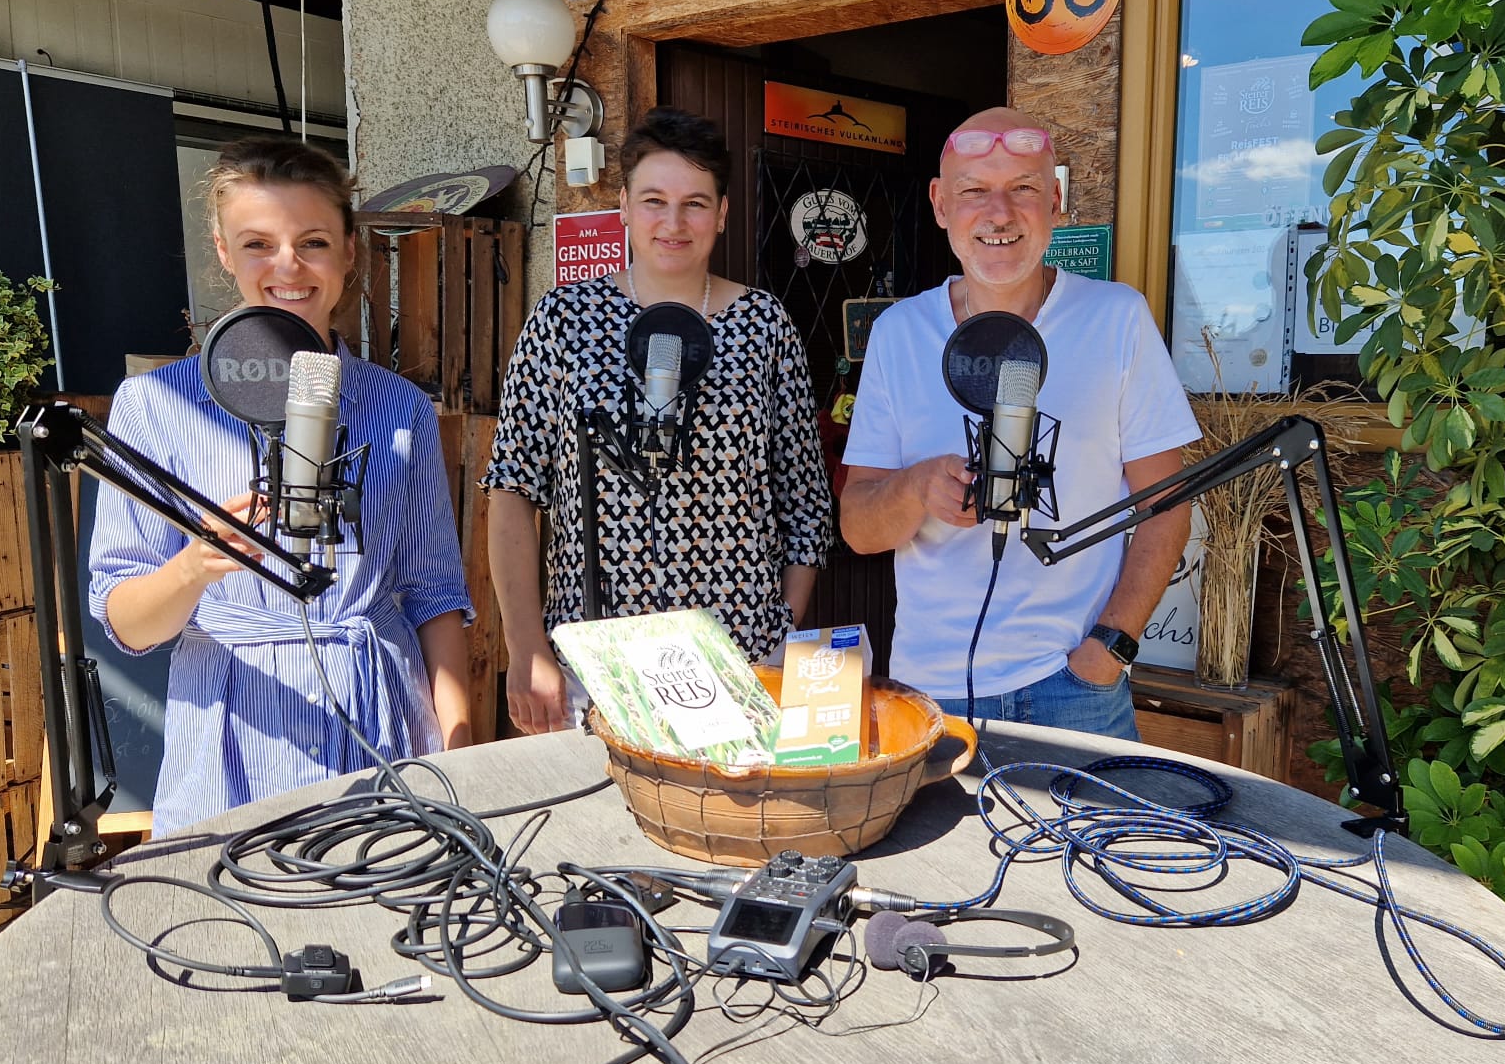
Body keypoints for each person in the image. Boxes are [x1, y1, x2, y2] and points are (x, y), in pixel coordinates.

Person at [89, 138, 475, 835]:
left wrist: (461, 748)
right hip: (232, 736)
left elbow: (433, 594)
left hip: (382, 731)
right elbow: (125, 623)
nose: (288, 267)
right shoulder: (153, 407)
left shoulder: (400, 408)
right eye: (259, 243)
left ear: (350, 251)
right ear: (224, 252)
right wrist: (195, 564)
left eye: (314, 241)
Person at [838, 107, 1200, 740]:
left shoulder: (1117, 319)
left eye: (1024, 188)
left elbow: (1165, 505)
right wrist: (919, 487)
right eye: (975, 190)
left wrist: (1108, 649)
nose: (999, 213)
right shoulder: (899, 333)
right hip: (931, 694)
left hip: (1074, 687)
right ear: (941, 203)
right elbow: (860, 529)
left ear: (1055, 201)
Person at [485, 106, 834, 736]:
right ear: (622, 205)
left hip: (740, 654)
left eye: (695, 203)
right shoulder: (565, 319)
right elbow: (513, 491)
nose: (673, 222)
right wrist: (526, 645)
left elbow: (805, 502)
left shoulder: (764, 325)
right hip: (597, 654)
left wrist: (781, 628)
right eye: (654, 200)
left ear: (722, 214)